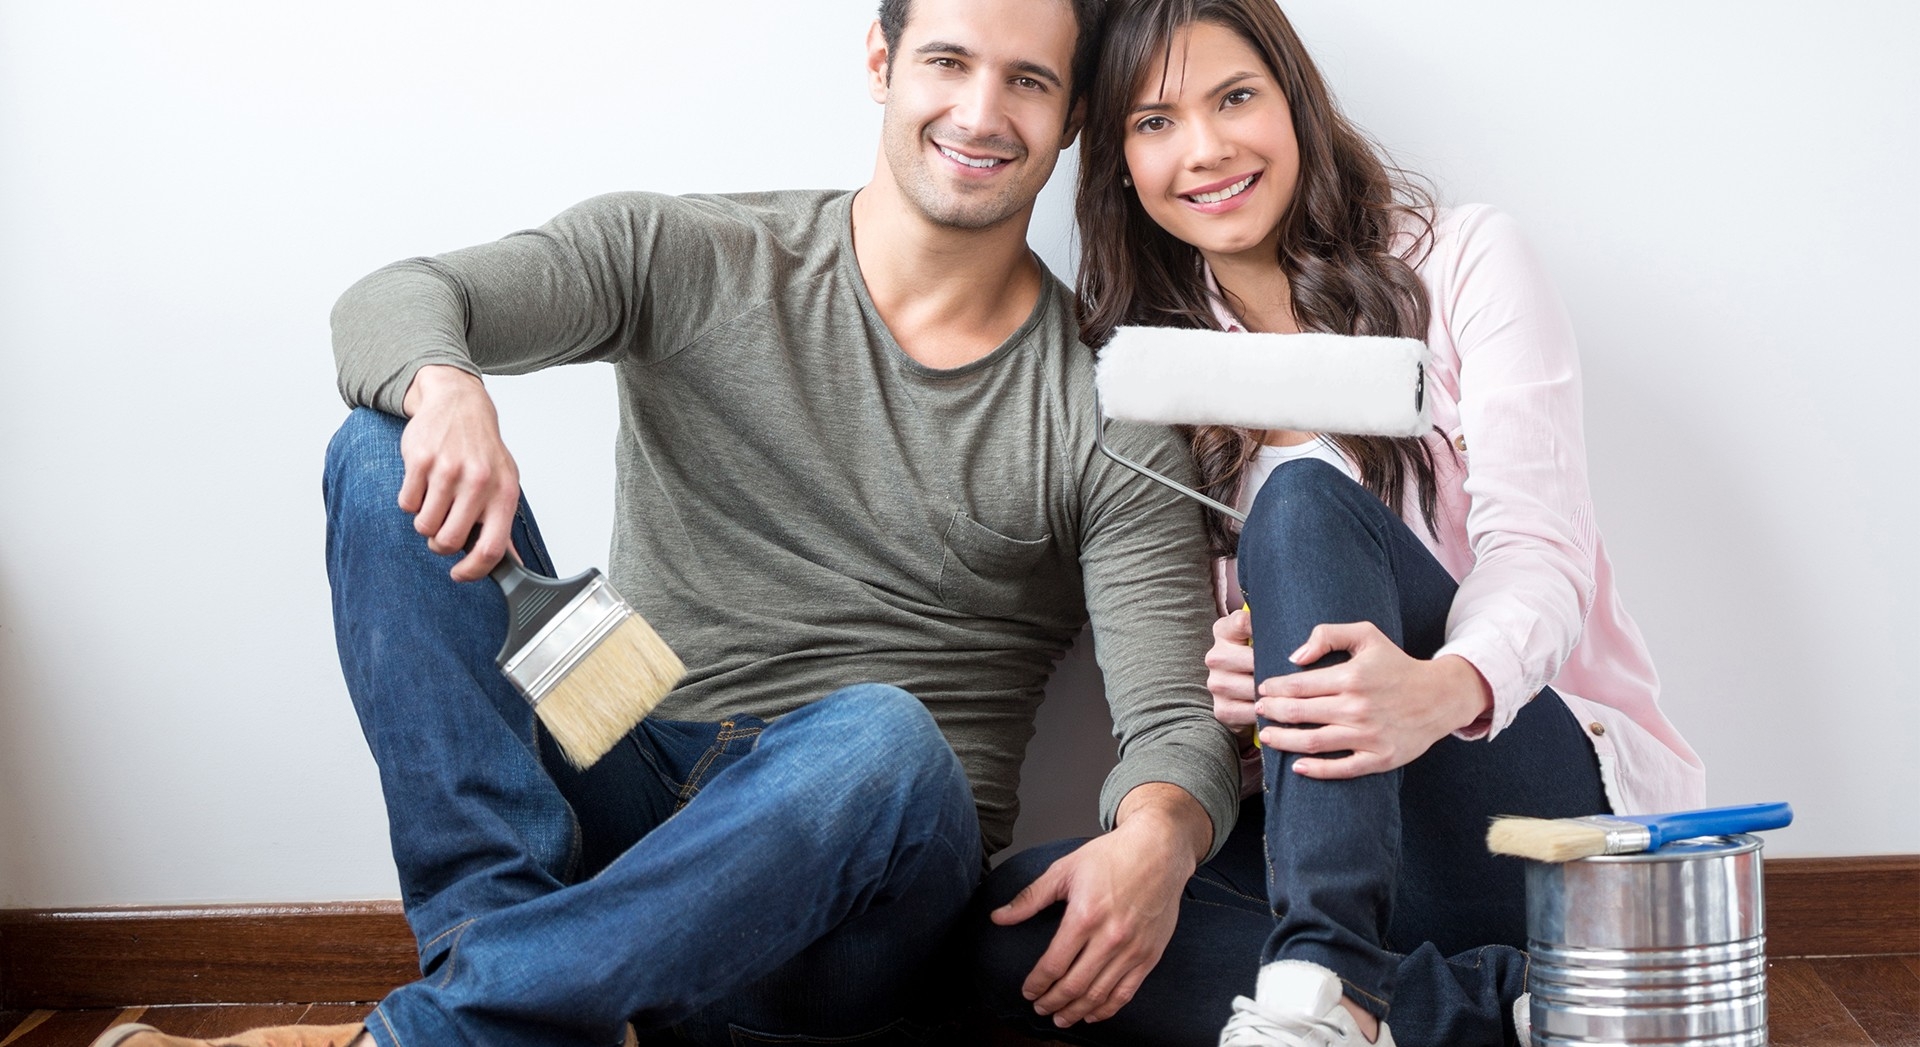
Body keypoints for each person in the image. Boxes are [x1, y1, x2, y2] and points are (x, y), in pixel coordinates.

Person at [89, 1, 1247, 1046]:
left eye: (1029, 82)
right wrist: (446, 386)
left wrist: (1159, 837)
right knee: (378, 446)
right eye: (947, 61)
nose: (980, 111)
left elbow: (1172, 726)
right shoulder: (693, 253)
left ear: (1074, 116)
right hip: (631, 737)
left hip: (865, 893)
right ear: (882, 62)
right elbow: (394, 300)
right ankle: (504, 992)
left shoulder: (1104, 409)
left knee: (887, 741)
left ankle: (445, 1032)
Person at [972, 1, 1706, 1045]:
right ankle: (1491, 1008)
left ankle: (1326, 982)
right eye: (1155, 121)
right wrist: (1235, 698)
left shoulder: (1462, 261)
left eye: (1236, 99)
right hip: (1355, 855)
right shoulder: (1152, 371)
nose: (1207, 148)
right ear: (1118, 161)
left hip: (1530, 817)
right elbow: (1199, 685)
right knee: (1034, 922)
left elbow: (1541, 555)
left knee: (1307, 499)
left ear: (1295, 103)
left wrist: (1436, 691)